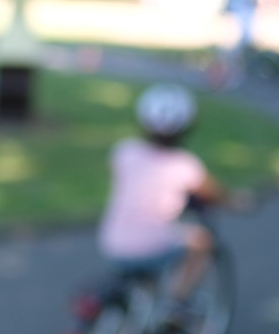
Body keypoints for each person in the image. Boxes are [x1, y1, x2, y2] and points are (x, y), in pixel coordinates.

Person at [97, 83, 227, 312]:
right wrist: (238, 201)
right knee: (203, 241)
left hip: (113, 241)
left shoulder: (124, 151)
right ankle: (176, 302)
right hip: (153, 244)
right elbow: (213, 194)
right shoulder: (185, 165)